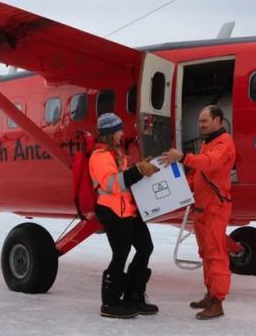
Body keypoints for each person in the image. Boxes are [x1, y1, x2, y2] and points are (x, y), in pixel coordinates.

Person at [159, 105, 236, 320]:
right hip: (202, 208)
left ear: (218, 120)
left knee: (216, 254)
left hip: (215, 208)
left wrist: (182, 157)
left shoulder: (224, 143)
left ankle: (217, 301)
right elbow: (201, 174)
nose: (201, 125)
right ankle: (210, 294)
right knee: (205, 254)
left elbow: (209, 164)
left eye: (205, 121)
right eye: (200, 121)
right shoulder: (208, 142)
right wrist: (182, 187)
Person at [89, 112, 160, 318]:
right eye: (119, 129)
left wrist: (142, 168)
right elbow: (113, 184)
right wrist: (138, 170)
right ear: (111, 133)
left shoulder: (116, 154)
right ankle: (110, 302)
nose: (122, 133)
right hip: (112, 212)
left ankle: (134, 295)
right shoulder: (99, 157)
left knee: (146, 247)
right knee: (120, 254)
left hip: (128, 210)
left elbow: (126, 180)